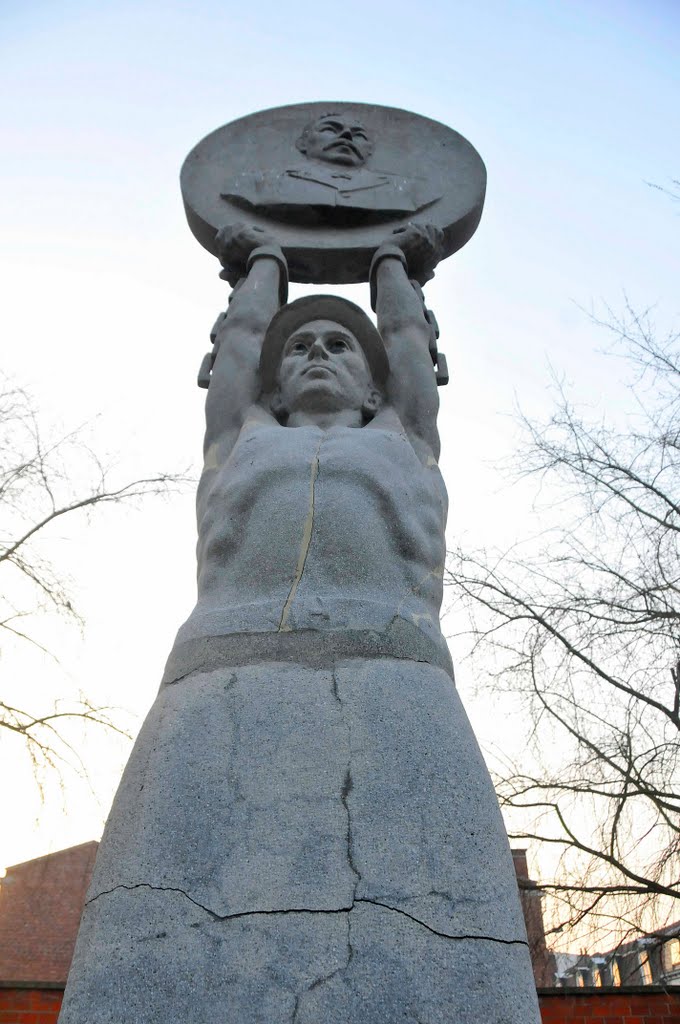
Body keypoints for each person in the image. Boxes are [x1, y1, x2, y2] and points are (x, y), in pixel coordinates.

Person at [175, 220, 452, 673]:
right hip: (217, 654)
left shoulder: (406, 437)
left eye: (338, 345)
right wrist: (265, 257)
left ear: (374, 393)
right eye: (298, 347)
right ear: (276, 392)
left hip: (398, 658)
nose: (317, 352)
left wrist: (393, 258)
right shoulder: (238, 437)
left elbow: (405, 334)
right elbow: (242, 336)